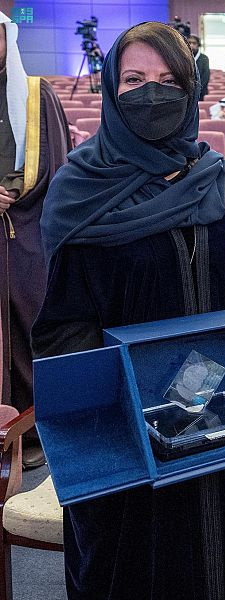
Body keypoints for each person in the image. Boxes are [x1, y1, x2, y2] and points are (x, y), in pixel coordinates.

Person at [33, 22, 225, 599]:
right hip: (124, 442)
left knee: (216, 567)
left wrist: (206, 383)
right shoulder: (80, 190)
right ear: (110, 88)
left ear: (190, 90)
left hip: (221, 423)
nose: (152, 93)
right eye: (134, 79)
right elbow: (62, 330)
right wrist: (146, 396)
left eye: (169, 81)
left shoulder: (217, 180)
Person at [0, 12, 72, 469]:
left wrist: (11, 196)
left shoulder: (36, 94)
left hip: (25, 228)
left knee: (29, 326)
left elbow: (55, 164)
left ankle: (29, 432)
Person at [187, 35, 209, 100]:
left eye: (194, 43)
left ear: (198, 45)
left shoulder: (204, 58)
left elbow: (205, 77)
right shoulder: (184, 57)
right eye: (189, 43)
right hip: (186, 92)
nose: (191, 45)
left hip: (201, 93)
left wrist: (196, 90)